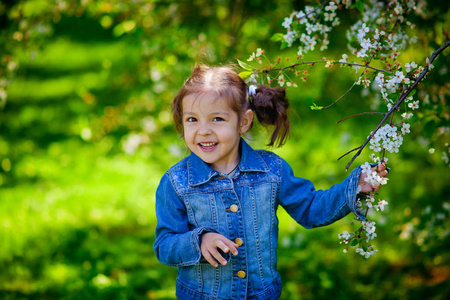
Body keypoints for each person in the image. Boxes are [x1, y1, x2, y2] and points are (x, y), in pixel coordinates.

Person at [153, 64, 388, 299]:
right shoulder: (176, 182)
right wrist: (199, 241)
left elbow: (310, 208)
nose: (203, 131)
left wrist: (354, 186)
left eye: (217, 119)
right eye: (192, 119)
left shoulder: (271, 171)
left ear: (243, 122)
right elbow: (164, 244)